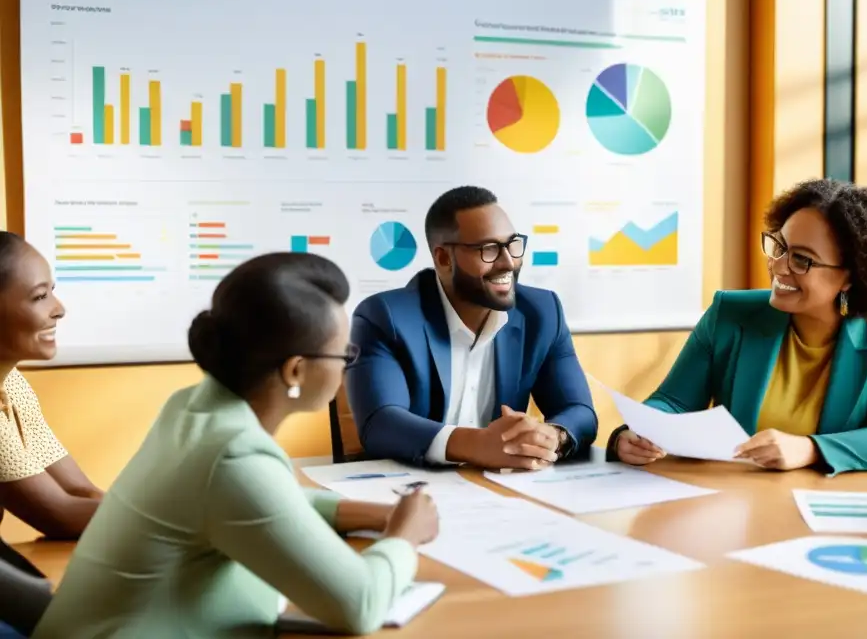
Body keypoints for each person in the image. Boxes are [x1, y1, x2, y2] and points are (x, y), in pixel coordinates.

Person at [35, 253, 439, 638]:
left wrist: (364, 512)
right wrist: (405, 536)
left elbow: (263, 501)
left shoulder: (196, 408)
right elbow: (360, 605)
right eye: (343, 353)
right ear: (295, 370)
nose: (346, 365)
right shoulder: (233, 456)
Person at [611, 178, 867, 475]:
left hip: (827, 508)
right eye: (779, 246)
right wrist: (640, 431)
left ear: (851, 276)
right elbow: (675, 401)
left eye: (802, 259)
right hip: (734, 499)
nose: (777, 266)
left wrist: (809, 449)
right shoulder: (730, 313)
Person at [345, 186, 598, 469]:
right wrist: (476, 445)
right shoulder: (386, 317)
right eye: (488, 250)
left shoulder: (542, 312)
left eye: (512, 244)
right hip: (414, 489)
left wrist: (553, 436)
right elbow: (380, 423)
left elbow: (580, 412)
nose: (508, 262)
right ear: (442, 259)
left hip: (501, 488)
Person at [0, 232, 102, 540]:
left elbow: (79, 491)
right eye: (40, 296)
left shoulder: (13, 384)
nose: (59, 309)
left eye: (52, 292)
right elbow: (61, 515)